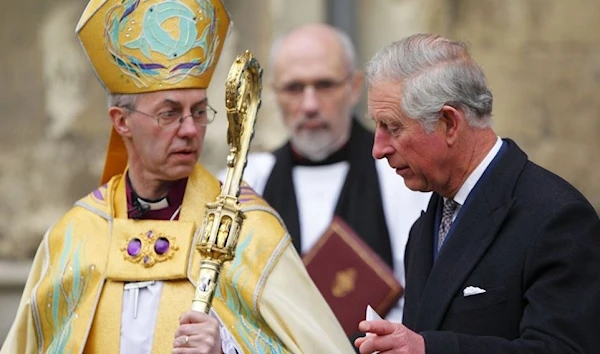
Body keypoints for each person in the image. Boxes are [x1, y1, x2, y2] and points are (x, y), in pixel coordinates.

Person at [0, 1, 353, 353]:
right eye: (169, 114)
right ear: (121, 121)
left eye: (199, 112)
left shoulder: (247, 230)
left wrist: (226, 350)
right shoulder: (76, 236)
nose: (189, 130)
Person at [355, 33, 600, 354]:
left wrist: (429, 350)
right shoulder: (426, 227)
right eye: (377, 126)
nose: (378, 148)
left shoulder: (556, 218)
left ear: (448, 123)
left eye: (393, 127)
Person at [230, 23, 430, 326]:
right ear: (273, 93)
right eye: (294, 88)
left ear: (354, 87)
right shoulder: (248, 183)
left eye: (324, 85)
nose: (309, 105)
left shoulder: (401, 177)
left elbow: (420, 294)